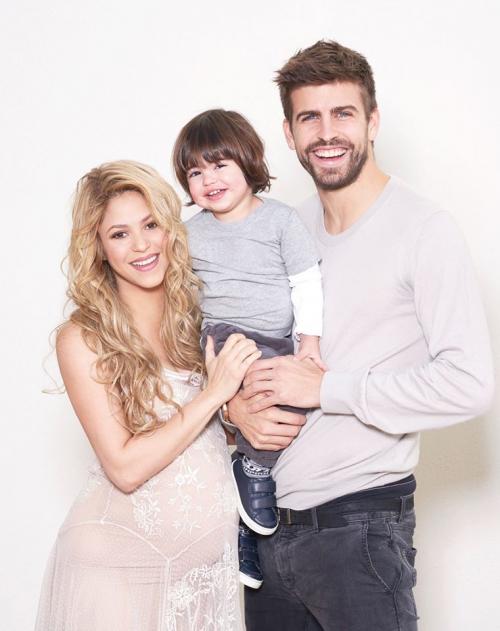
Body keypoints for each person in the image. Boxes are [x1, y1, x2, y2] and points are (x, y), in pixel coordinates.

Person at [226, 40, 495, 631]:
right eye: (309, 117)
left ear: (372, 121)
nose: (327, 133)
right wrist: (234, 412)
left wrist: (328, 389)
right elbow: (244, 349)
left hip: (359, 530)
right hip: (265, 534)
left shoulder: (425, 230)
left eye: (342, 113)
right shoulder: (282, 229)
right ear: (289, 133)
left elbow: (471, 384)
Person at [35, 160, 261, 631]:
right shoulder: (83, 338)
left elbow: (213, 441)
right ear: (98, 248)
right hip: (116, 572)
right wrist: (213, 394)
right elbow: (124, 467)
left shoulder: (199, 322)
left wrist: (235, 412)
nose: (141, 245)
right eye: (119, 234)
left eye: (150, 225)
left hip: (203, 579)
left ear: (170, 229)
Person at [172, 109, 325, 588]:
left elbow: (305, 281)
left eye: (220, 165)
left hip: (277, 341)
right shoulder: (190, 233)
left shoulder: (280, 220)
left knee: (290, 411)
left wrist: (309, 342)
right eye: (195, 173)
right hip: (224, 336)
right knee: (253, 397)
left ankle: (243, 513)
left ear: (248, 160)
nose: (209, 180)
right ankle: (253, 473)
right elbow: (178, 294)